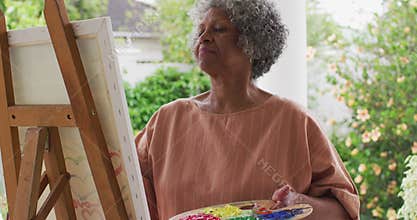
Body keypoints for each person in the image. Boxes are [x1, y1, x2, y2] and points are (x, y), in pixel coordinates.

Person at [135, 0, 360, 219]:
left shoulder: (295, 121)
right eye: (201, 30)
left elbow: (343, 210)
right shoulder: (167, 120)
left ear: (253, 42)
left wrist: (301, 204)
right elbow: (121, 190)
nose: (204, 38)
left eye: (219, 29)